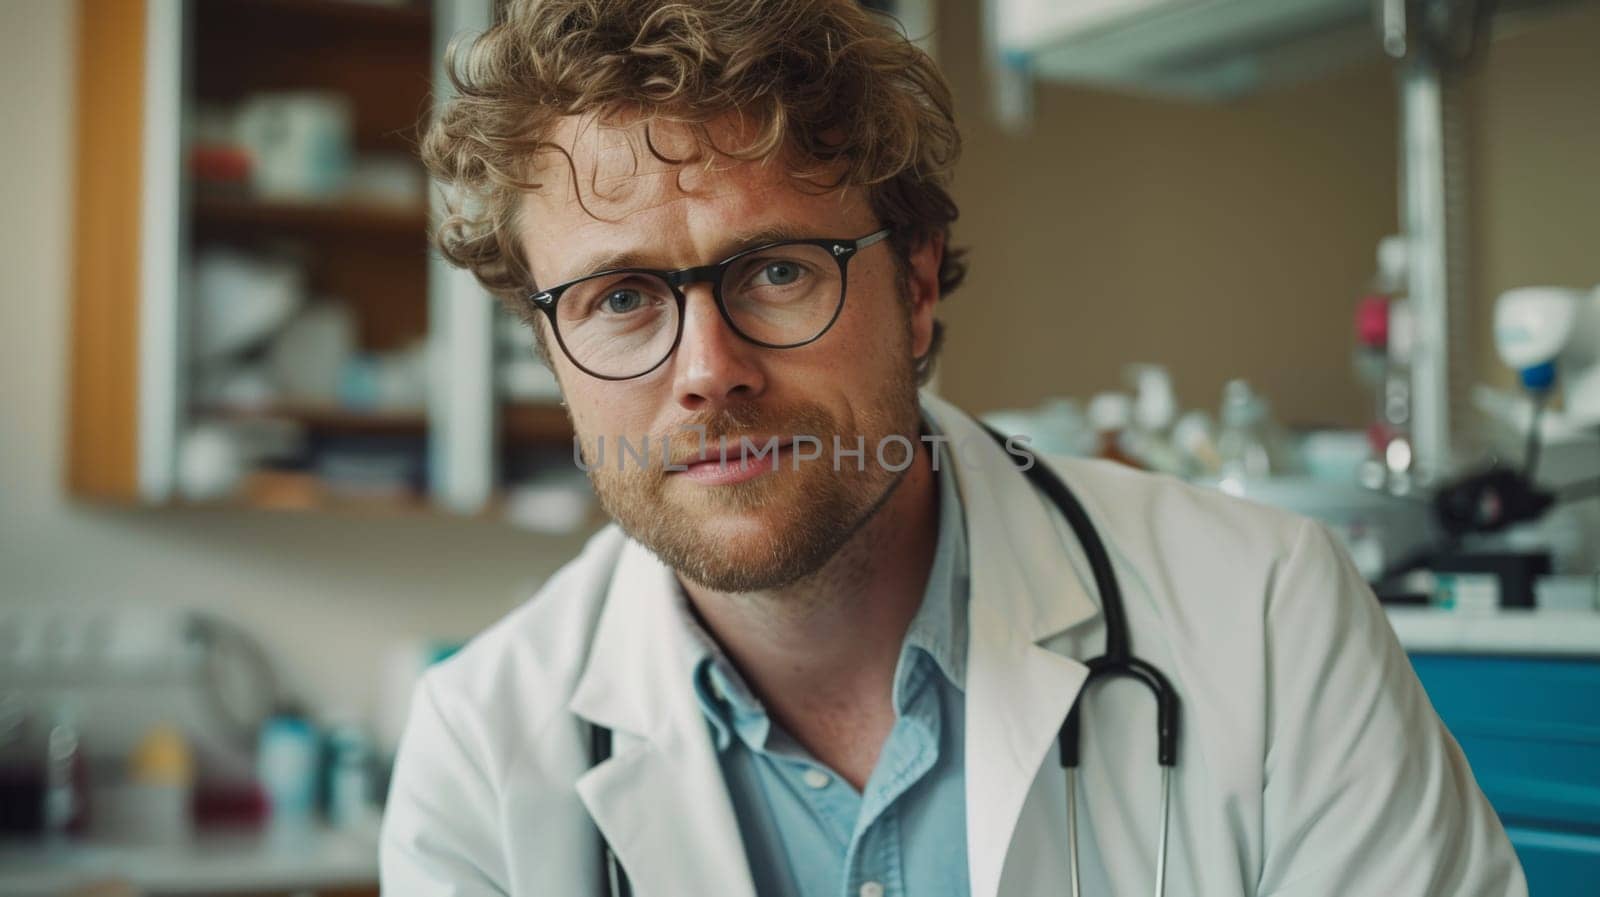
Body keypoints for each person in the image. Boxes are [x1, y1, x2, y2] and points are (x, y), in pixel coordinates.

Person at [381, 1, 1526, 895]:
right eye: (622, 297)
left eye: (778, 271)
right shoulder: (480, 753)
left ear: (915, 283)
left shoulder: (1269, 621)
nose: (705, 369)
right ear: (549, 346)